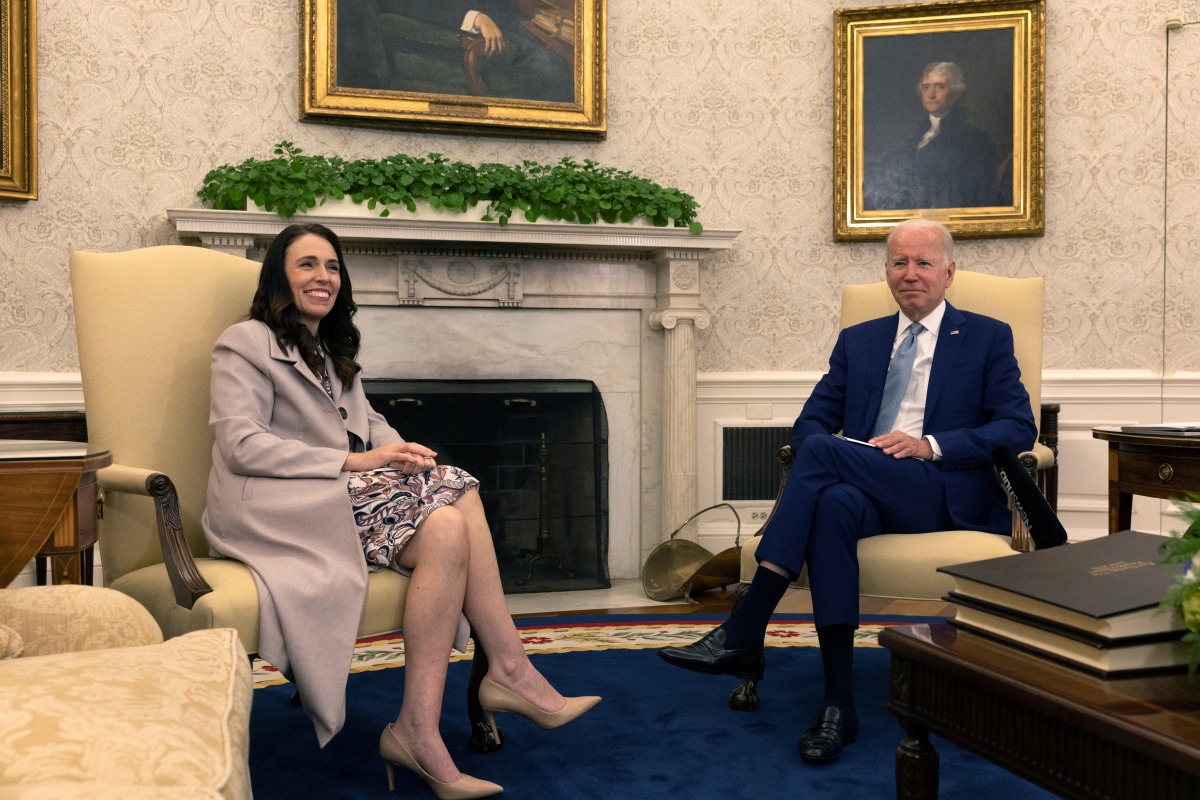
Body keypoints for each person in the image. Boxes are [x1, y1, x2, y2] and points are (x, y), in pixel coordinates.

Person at [202, 222, 599, 798]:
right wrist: (360, 463)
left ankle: (418, 727)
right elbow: (241, 446)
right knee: (458, 489)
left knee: (444, 515)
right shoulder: (244, 342)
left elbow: (369, 425)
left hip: (334, 493)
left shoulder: (330, 349)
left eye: (333, 266)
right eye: (307, 264)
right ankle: (509, 670)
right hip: (273, 505)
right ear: (279, 278)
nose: (323, 277)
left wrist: (401, 452)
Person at [658, 218, 1036, 765]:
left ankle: (747, 623)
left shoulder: (986, 336)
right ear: (886, 271)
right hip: (866, 486)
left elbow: (1017, 427)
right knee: (833, 499)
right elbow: (810, 423)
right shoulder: (859, 341)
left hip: (940, 491)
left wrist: (931, 444)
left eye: (923, 263)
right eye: (899, 263)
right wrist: (849, 456)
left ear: (949, 272)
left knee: (823, 456)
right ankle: (838, 706)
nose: (910, 274)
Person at [864, 61, 1010, 210]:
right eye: (926, 87)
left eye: (940, 86)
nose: (931, 94)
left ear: (956, 93)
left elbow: (978, 195)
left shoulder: (978, 141)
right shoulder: (914, 139)